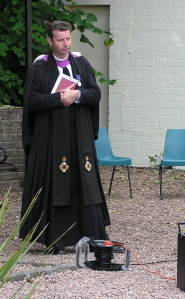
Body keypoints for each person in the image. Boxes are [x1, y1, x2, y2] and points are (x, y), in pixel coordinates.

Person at [20, 21, 110, 254]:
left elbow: (95, 93)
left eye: (68, 38)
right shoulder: (40, 67)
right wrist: (58, 99)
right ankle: (56, 239)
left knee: (85, 183)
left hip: (78, 137)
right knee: (56, 183)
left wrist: (77, 94)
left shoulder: (80, 62)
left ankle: (90, 235)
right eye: (60, 40)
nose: (65, 44)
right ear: (50, 41)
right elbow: (32, 101)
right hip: (51, 139)